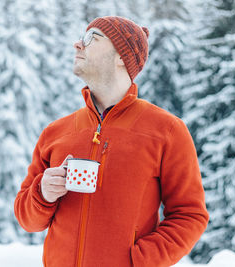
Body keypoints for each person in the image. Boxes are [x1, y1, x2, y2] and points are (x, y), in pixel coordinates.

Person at [14, 16, 209, 267]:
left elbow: (190, 215)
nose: (77, 45)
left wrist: (140, 260)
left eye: (91, 39)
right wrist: (43, 193)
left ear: (121, 57)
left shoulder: (167, 130)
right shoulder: (56, 132)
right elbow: (26, 218)